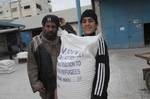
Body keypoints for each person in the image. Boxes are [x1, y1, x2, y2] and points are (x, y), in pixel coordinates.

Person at [27, 14, 61, 99]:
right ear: (43, 27)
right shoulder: (35, 43)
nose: (50, 29)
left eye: (53, 26)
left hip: (63, 84)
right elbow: (32, 66)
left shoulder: (63, 41)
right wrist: (36, 84)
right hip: (46, 86)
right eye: (47, 26)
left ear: (57, 28)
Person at [80, 9, 110, 99]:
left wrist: (97, 96)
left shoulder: (99, 41)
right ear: (81, 25)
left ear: (96, 25)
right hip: (84, 92)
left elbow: (102, 70)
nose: (87, 24)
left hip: (96, 94)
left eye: (90, 21)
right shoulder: (80, 41)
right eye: (84, 21)